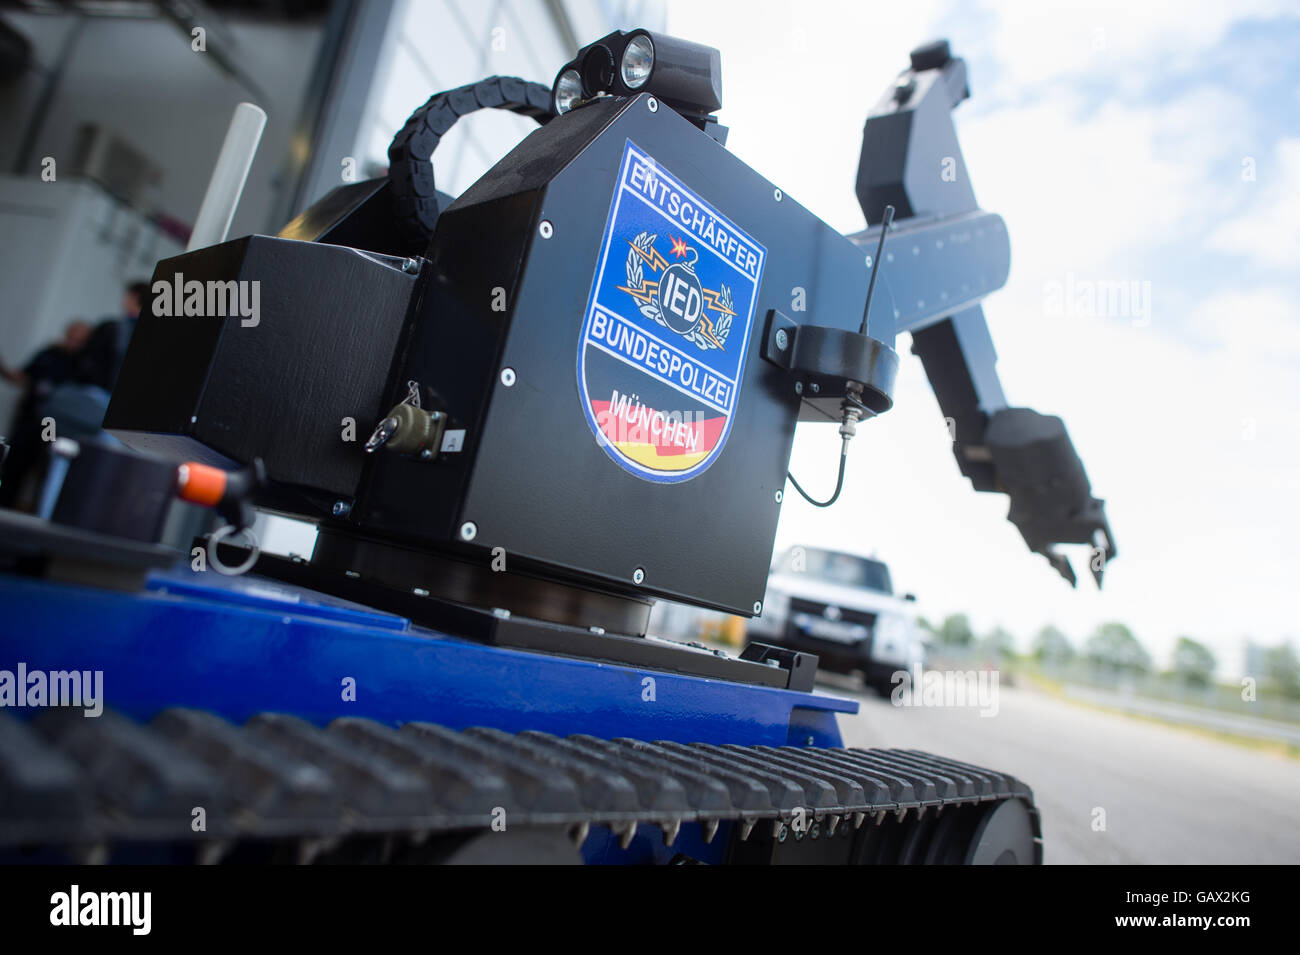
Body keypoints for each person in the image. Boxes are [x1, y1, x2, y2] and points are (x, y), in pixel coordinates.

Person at [0, 320, 92, 507]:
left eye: (79, 340)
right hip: (29, 421)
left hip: (55, 427)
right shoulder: (49, 354)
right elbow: (23, 378)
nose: (73, 343)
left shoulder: (85, 365)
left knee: (47, 472)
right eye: (71, 337)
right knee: (13, 468)